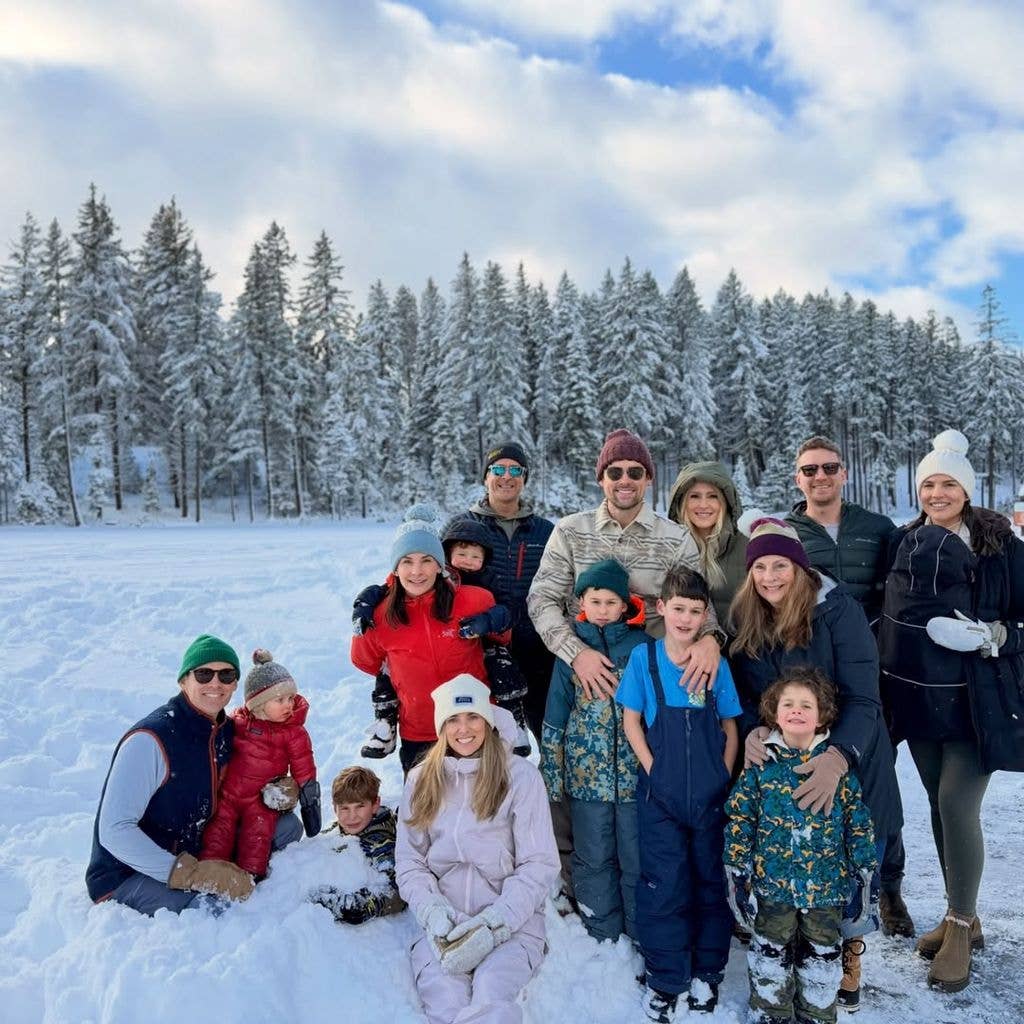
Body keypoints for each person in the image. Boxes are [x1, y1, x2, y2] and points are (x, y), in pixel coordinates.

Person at [528, 429, 724, 897]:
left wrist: (711, 639)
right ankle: (577, 885)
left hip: (657, 685)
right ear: (601, 478)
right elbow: (542, 600)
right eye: (615, 471)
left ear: (648, 479)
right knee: (576, 785)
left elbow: (700, 602)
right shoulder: (571, 532)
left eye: (635, 472)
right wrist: (577, 655)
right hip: (587, 682)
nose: (625, 480)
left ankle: (654, 888)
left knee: (650, 787)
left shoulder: (673, 538)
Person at [728, 519, 903, 1013]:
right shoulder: (750, 616)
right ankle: (790, 948)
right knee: (793, 856)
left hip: (849, 752)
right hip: (784, 759)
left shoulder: (837, 612)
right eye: (759, 567)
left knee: (845, 857)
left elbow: (865, 697)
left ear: (800, 567)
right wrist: (752, 728)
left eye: (779, 564)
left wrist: (838, 756)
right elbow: (742, 691)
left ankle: (847, 950)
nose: (769, 577)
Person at [878, 429, 1024, 992]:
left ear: (966, 489)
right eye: (928, 484)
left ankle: (960, 927)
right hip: (920, 700)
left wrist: (993, 636)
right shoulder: (905, 542)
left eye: (948, 484)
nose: (937, 494)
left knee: (959, 805)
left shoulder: (1001, 546)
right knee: (939, 808)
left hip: (978, 700)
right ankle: (960, 913)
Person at [784, 435, 911, 937]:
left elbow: (903, 587)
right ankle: (832, 888)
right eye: (809, 470)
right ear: (798, 478)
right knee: (821, 782)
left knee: (882, 783)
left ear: (843, 474)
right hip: (812, 683)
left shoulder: (877, 529)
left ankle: (890, 884)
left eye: (829, 467)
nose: (820, 477)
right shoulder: (788, 534)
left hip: (875, 673)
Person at [85, 634, 301, 915]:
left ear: (235, 684)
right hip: (129, 872)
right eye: (203, 674)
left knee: (287, 827)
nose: (215, 683)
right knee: (208, 911)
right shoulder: (150, 740)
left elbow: (244, 782)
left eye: (226, 675)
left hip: (199, 848)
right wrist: (192, 874)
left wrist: (276, 791)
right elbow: (114, 831)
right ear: (183, 681)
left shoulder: (225, 732)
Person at [395, 675, 559, 1024]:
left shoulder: (521, 778)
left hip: (511, 923)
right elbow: (410, 861)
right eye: (453, 719)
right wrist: (433, 912)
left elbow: (539, 863)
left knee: (491, 991)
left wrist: (496, 924)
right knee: (446, 1000)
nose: (464, 729)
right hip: (445, 926)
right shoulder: (422, 779)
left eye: (472, 717)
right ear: (441, 727)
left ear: (487, 720)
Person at [617, 568, 742, 1020]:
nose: (686, 618)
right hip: (660, 800)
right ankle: (665, 978)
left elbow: (730, 727)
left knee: (711, 885)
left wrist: (721, 777)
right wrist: (656, 773)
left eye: (695, 611)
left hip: (711, 799)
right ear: (661, 608)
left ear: (705, 615)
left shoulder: (715, 664)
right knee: (662, 886)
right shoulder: (644, 660)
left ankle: (707, 974)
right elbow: (632, 721)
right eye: (679, 609)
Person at [725, 667, 878, 1024]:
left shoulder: (835, 769)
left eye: (806, 705)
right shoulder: (760, 766)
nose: (796, 710)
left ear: (822, 714)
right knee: (769, 954)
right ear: (774, 713)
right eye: (788, 704)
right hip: (772, 887)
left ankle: (817, 1015)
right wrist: (737, 869)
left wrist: (865, 875)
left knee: (823, 959)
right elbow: (740, 818)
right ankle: (771, 1013)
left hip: (826, 888)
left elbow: (858, 824)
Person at [350, 505, 511, 775]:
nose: (417, 571)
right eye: (407, 561)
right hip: (420, 733)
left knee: (485, 811)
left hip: (474, 726)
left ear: (440, 565)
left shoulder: (474, 600)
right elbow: (365, 661)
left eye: (426, 560)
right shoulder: (378, 615)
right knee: (425, 813)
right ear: (395, 567)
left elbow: (502, 639)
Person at [540, 558, 647, 942]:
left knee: (636, 858)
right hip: (586, 782)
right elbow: (555, 716)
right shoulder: (571, 652)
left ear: (625, 605)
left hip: (636, 780)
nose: (602, 611)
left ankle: (640, 932)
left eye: (611, 603)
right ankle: (602, 933)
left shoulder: (642, 649)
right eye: (594, 601)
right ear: (581, 603)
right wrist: (552, 778)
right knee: (593, 857)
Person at [458, 441, 555, 742]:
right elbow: (431, 574)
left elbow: (565, 582)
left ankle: (547, 788)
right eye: (498, 469)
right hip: (481, 647)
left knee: (547, 732)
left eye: (516, 470)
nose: (506, 476)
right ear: (486, 476)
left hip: (538, 648)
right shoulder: (463, 526)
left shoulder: (545, 531)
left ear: (525, 478)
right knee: (485, 736)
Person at [200, 649, 320, 879]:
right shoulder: (238, 722)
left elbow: (304, 767)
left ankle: (250, 877)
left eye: (290, 699)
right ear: (259, 704)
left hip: (261, 799)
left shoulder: (294, 733)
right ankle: (210, 873)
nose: (288, 705)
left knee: (256, 836)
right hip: (229, 794)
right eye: (280, 700)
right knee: (217, 832)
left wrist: (309, 800)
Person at [308, 766, 405, 924]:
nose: (352, 816)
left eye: (360, 806)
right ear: (334, 808)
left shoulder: (379, 843)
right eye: (344, 808)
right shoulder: (341, 829)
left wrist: (367, 907)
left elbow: (398, 889)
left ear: (375, 805)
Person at [667, 461, 750, 630]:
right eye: (694, 496)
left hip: (741, 650)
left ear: (726, 502)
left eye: (713, 496)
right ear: (681, 502)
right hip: (682, 651)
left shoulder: (747, 546)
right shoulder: (669, 547)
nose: (703, 505)